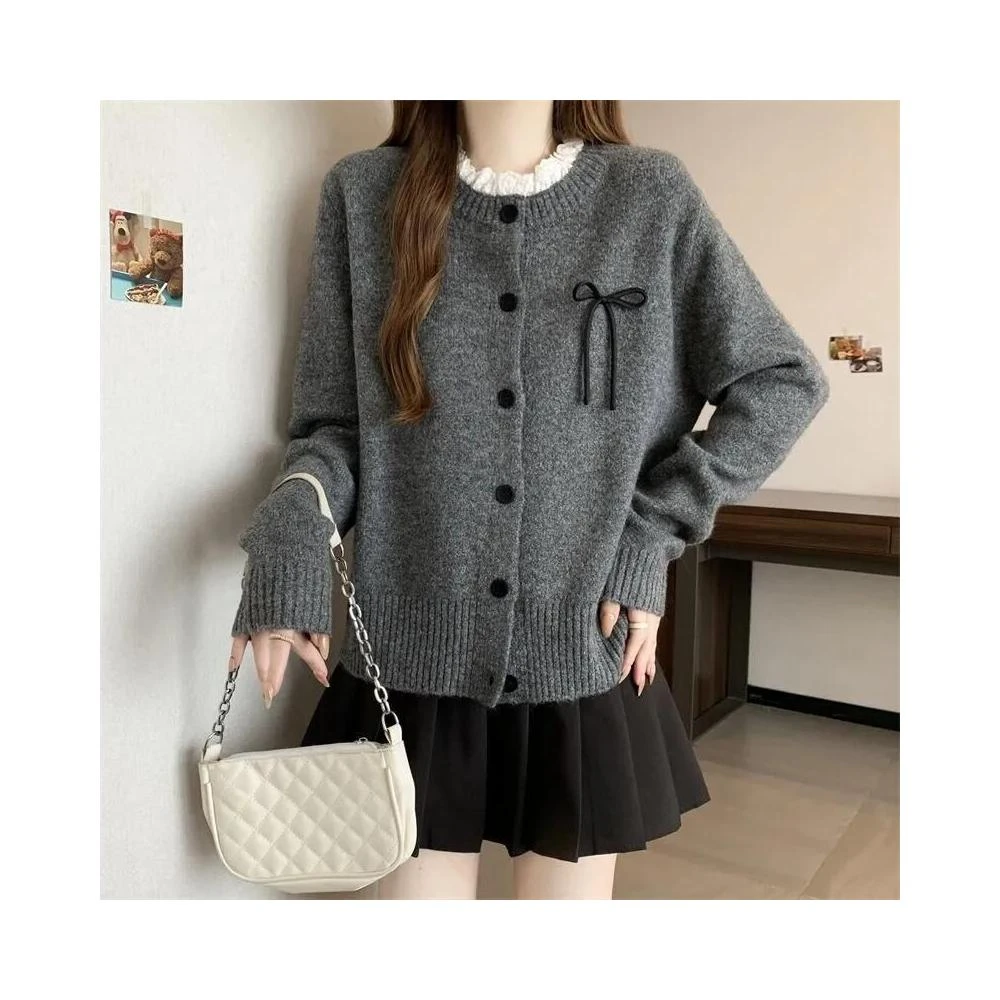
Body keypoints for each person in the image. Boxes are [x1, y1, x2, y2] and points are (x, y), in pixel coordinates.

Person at [227, 100, 830, 900]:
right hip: (412, 662)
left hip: (580, 651)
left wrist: (651, 533)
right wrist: (290, 532)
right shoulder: (364, 195)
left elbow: (782, 382)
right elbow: (335, 430)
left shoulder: (649, 197)